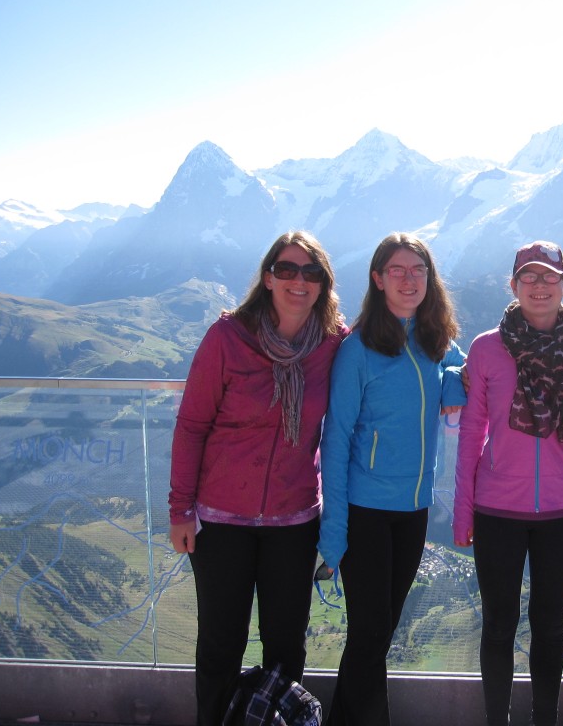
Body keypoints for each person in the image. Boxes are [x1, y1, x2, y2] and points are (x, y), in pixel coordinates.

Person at [168, 231, 348, 726]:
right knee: (221, 643)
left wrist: (454, 373)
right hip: (220, 520)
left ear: (323, 284)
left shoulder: (334, 343)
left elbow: (386, 355)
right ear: (267, 278)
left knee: (287, 645)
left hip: (294, 521)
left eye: (311, 273)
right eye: (287, 270)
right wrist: (179, 508)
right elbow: (191, 426)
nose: (298, 281)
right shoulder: (228, 338)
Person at [318, 232, 466, 725]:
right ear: (378, 279)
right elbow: (335, 441)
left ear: (430, 280)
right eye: (397, 271)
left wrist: (451, 377)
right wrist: (333, 534)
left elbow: (459, 366)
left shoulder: (432, 339)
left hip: (414, 508)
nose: (409, 280)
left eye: (418, 270)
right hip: (366, 508)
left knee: (379, 633)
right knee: (369, 632)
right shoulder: (358, 349)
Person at [453, 241, 563, 726]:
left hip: (561, 512)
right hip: (497, 510)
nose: (540, 285)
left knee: (550, 627)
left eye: (550, 276)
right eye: (529, 277)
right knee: (498, 625)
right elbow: (472, 434)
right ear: (514, 286)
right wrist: (463, 510)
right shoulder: (486, 348)